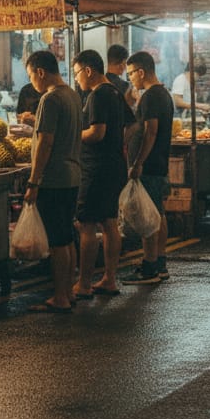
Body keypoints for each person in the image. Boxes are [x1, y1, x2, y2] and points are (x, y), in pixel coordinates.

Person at [23, 49, 83, 314]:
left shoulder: (49, 99)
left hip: (54, 178)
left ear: (40, 72)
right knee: (66, 237)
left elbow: (45, 142)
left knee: (58, 242)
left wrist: (34, 181)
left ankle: (60, 296)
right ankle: (68, 292)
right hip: (72, 175)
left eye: (31, 77)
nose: (32, 83)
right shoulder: (72, 95)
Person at [71, 50, 129, 299]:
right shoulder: (116, 92)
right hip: (115, 165)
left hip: (96, 169)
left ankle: (84, 283)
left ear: (88, 70)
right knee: (109, 223)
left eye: (76, 74)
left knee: (87, 225)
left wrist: (72, 135)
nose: (76, 80)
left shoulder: (97, 95)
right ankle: (109, 279)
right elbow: (129, 125)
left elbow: (96, 133)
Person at [122, 50, 175, 285]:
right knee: (158, 213)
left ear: (141, 71)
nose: (131, 77)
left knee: (147, 217)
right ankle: (160, 263)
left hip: (150, 166)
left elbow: (150, 130)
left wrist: (138, 163)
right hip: (159, 163)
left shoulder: (151, 96)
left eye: (132, 73)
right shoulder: (163, 94)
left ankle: (149, 267)